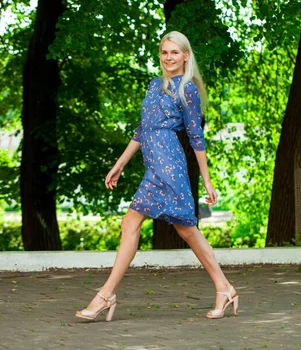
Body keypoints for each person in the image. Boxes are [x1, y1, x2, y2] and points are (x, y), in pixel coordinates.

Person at [75, 31, 238, 322]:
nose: (168, 58)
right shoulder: (154, 86)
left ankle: (107, 295)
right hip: (154, 165)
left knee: (185, 229)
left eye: (175, 52)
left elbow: (196, 136)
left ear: (186, 56)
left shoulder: (187, 89)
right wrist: (120, 163)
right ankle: (224, 288)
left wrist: (208, 181)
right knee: (145, 224)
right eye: (164, 52)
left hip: (170, 166)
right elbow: (142, 129)